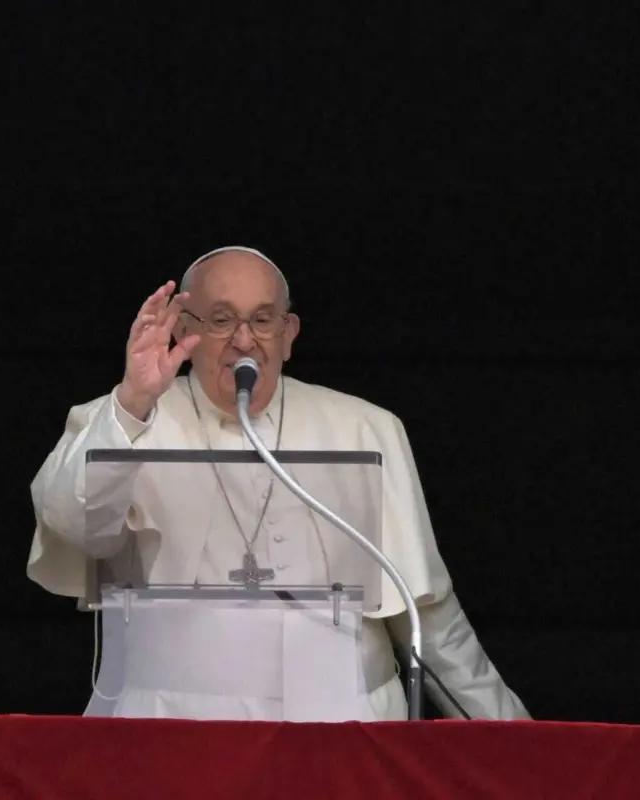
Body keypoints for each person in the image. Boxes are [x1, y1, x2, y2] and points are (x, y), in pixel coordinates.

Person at [28, 245, 529, 723]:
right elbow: (76, 527)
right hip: (174, 726)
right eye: (221, 320)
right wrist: (134, 400)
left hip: (343, 727)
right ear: (184, 329)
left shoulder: (366, 428)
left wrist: (523, 748)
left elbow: (429, 617)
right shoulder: (123, 418)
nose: (244, 340)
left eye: (262, 320)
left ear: (288, 334)